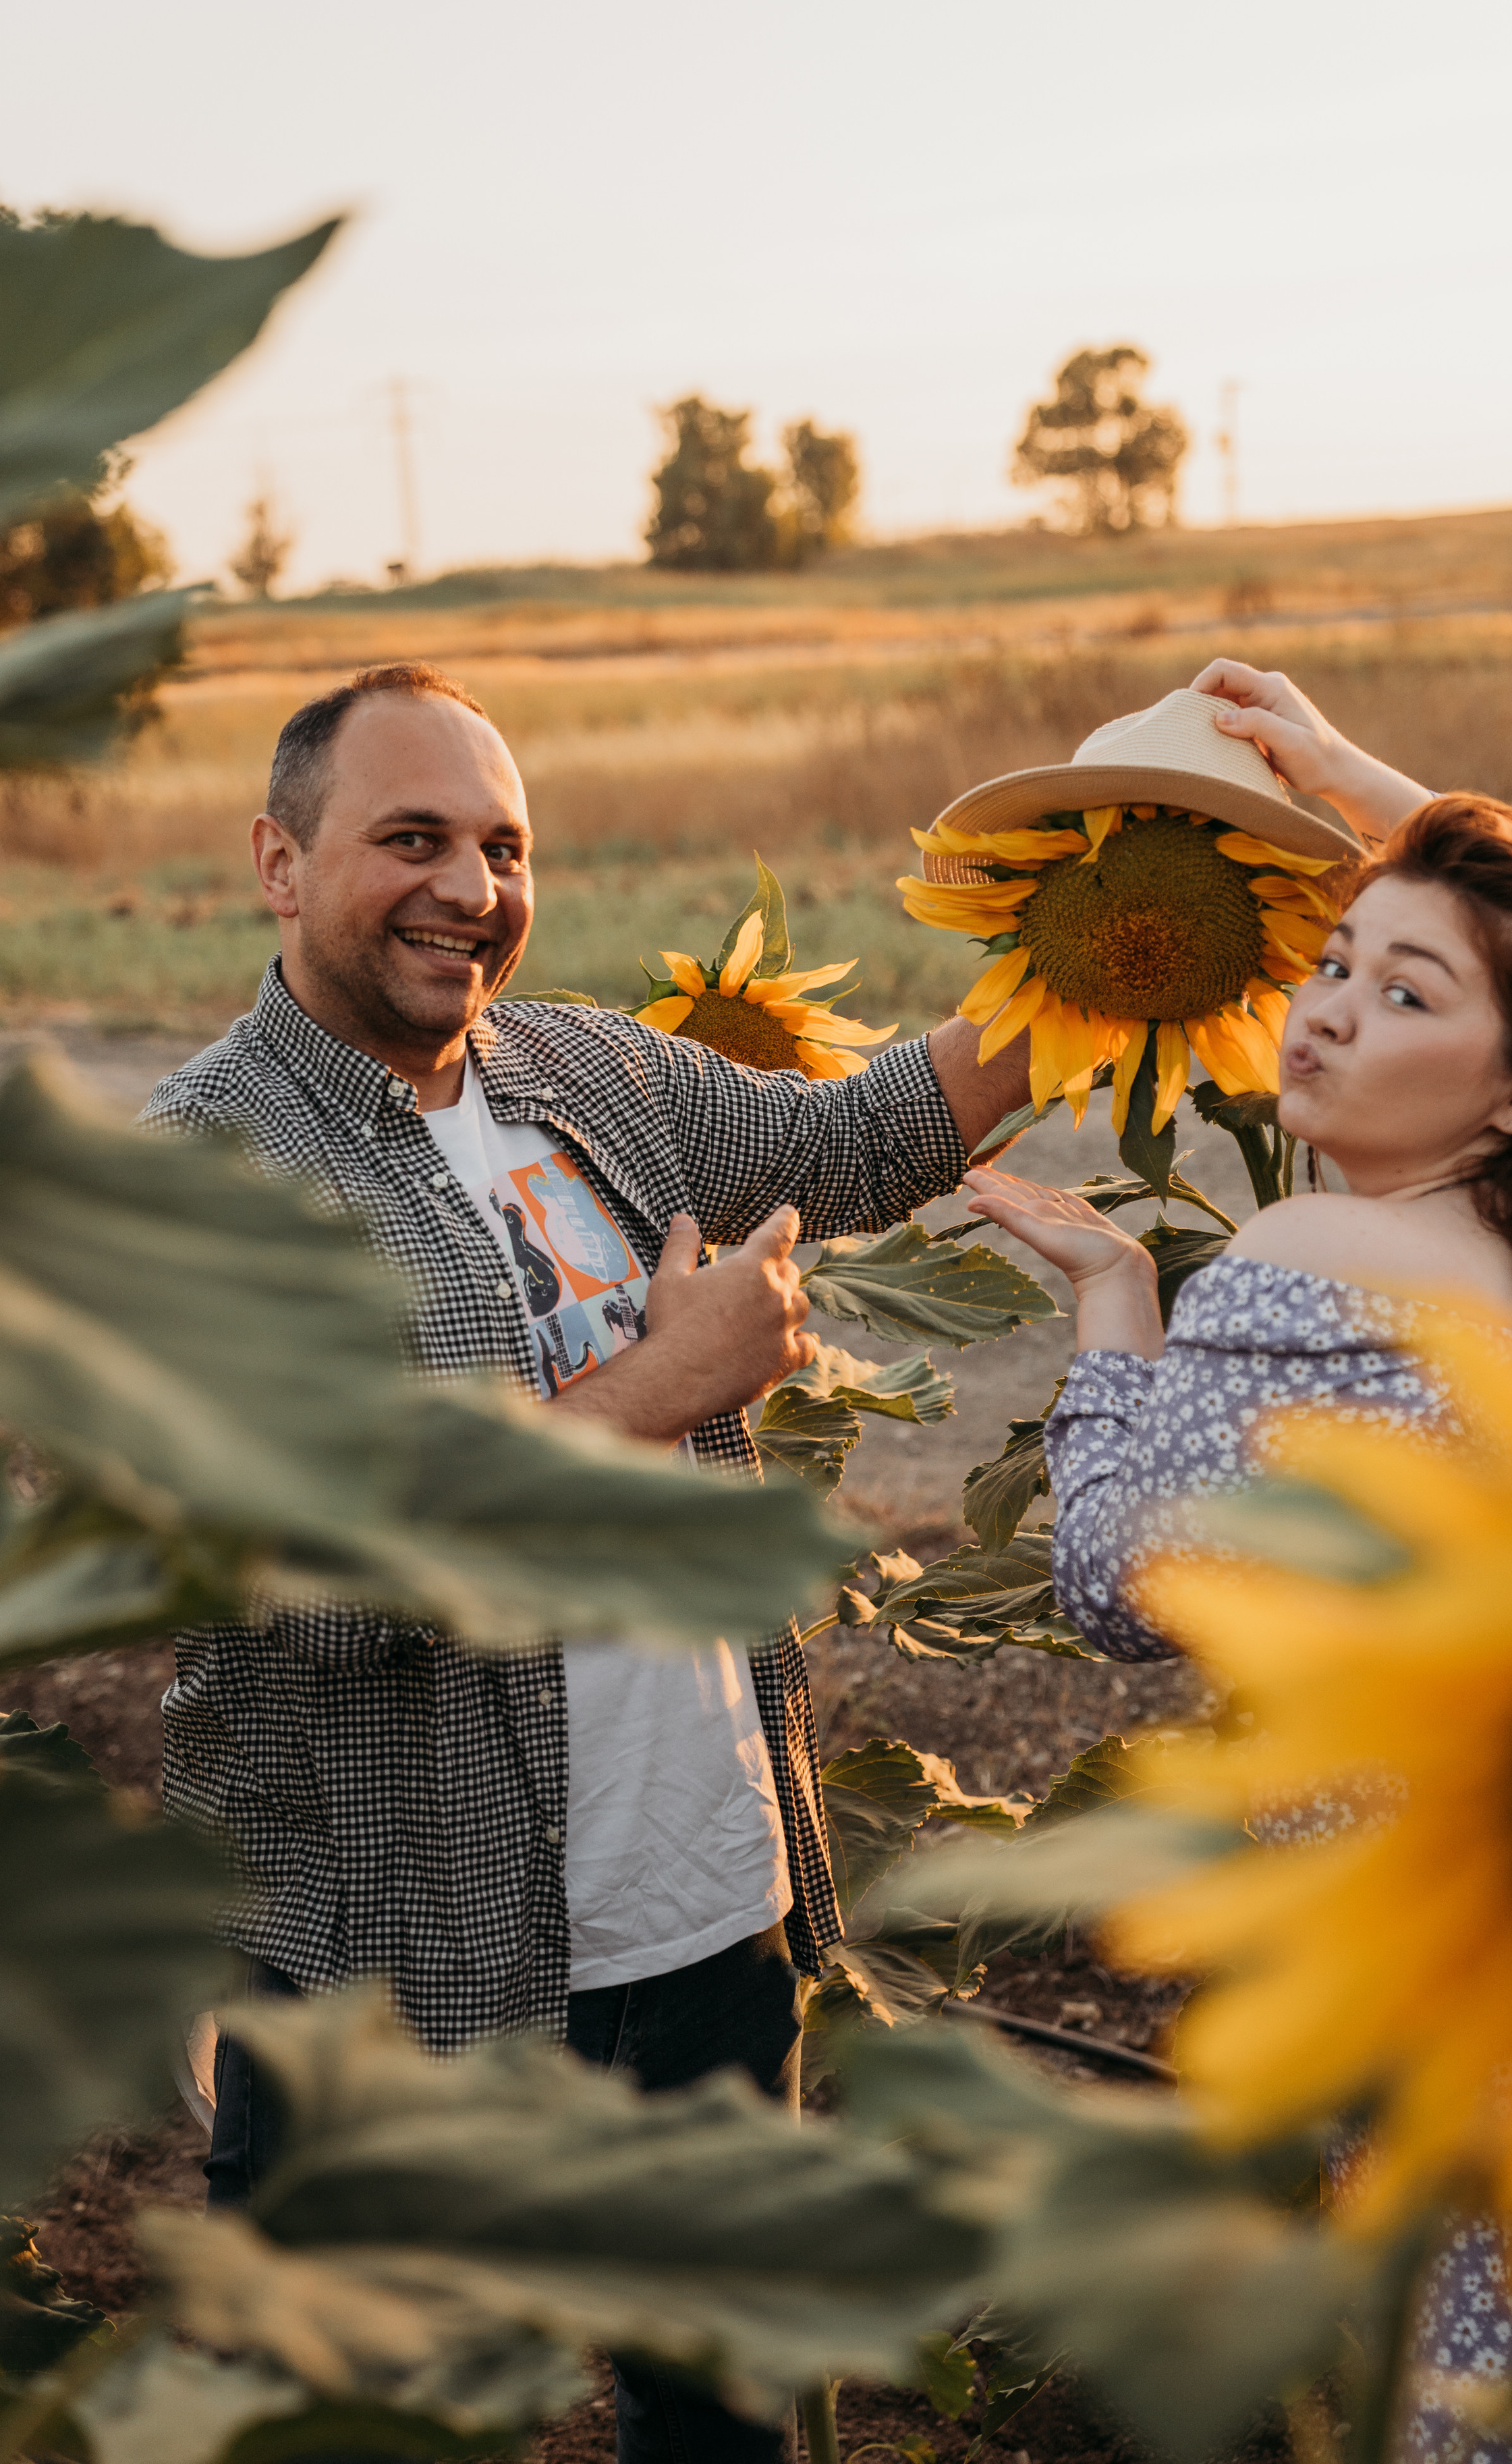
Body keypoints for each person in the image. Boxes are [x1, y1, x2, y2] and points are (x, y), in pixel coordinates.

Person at [144, 658, 1031, 2464]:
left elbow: (850, 1138)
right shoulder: (197, 1171)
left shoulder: (584, 1069)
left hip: (703, 1907)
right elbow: (315, 1567)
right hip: (399, 1971)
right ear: (278, 859)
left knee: (730, 2431)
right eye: (412, 838)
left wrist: (1126, 926)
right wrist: (662, 1388)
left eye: (503, 843)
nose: (472, 888)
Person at [957, 659, 1512, 2463]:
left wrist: (1114, 1301)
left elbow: (1115, 1579)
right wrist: (1384, 802)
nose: (1326, 1016)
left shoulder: (1309, 1271)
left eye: (1403, 991)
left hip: (1446, 1992)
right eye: (1323, 968)